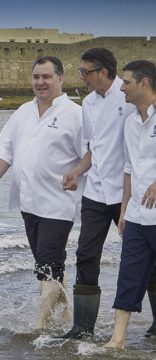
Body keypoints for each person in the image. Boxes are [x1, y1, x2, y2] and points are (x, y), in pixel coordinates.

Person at [0, 56, 85, 328]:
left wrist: (76, 174)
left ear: (61, 79)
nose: (40, 83)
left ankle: (41, 322)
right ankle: (65, 314)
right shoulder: (22, 112)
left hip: (58, 202)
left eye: (47, 77)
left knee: (47, 265)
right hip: (28, 202)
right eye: (36, 77)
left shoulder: (75, 114)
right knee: (48, 262)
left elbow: (91, 154)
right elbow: (5, 150)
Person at [61, 48, 156, 339]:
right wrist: (77, 171)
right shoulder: (87, 104)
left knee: (148, 258)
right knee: (86, 254)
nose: (81, 77)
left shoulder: (128, 97)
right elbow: (95, 149)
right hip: (97, 192)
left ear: (103, 73)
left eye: (85, 71)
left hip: (130, 194)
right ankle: (82, 327)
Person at [103, 61, 156, 349]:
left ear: (144, 83)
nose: (121, 87)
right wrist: (123, 211)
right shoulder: (130, 122)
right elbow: (128, 169)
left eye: (126, 82)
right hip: (137, 215)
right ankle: (117, 339)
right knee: (129, 276)